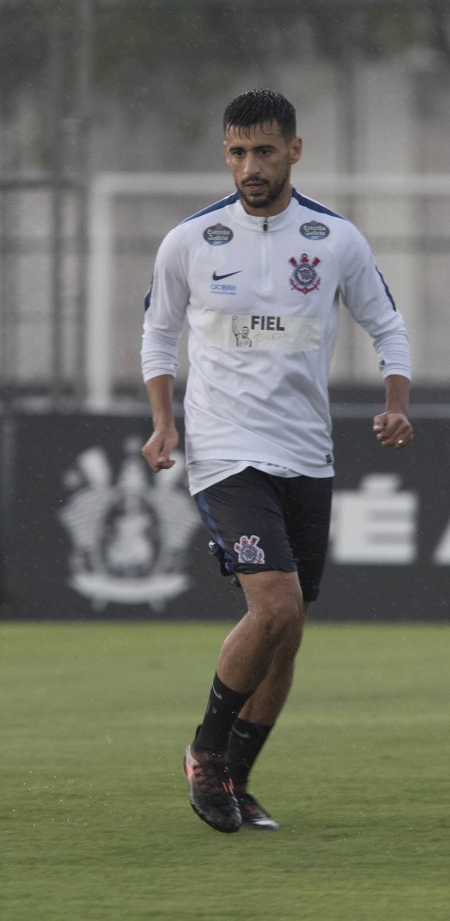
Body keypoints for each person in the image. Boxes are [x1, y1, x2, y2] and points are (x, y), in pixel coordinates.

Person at [140, 88, 413, 834]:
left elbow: (388, 326)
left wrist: (396, 400)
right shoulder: (190, 241)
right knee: (276, 605)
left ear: (295, 150)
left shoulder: (335, 239)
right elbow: (158, 336)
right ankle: (204, 751)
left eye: (263, 151)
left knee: (288, 630)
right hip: (225, 451)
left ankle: (236, 779)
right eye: (236, 152)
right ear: (225, 153)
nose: (249, 166)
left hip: (306, 453)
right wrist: (164, 422)